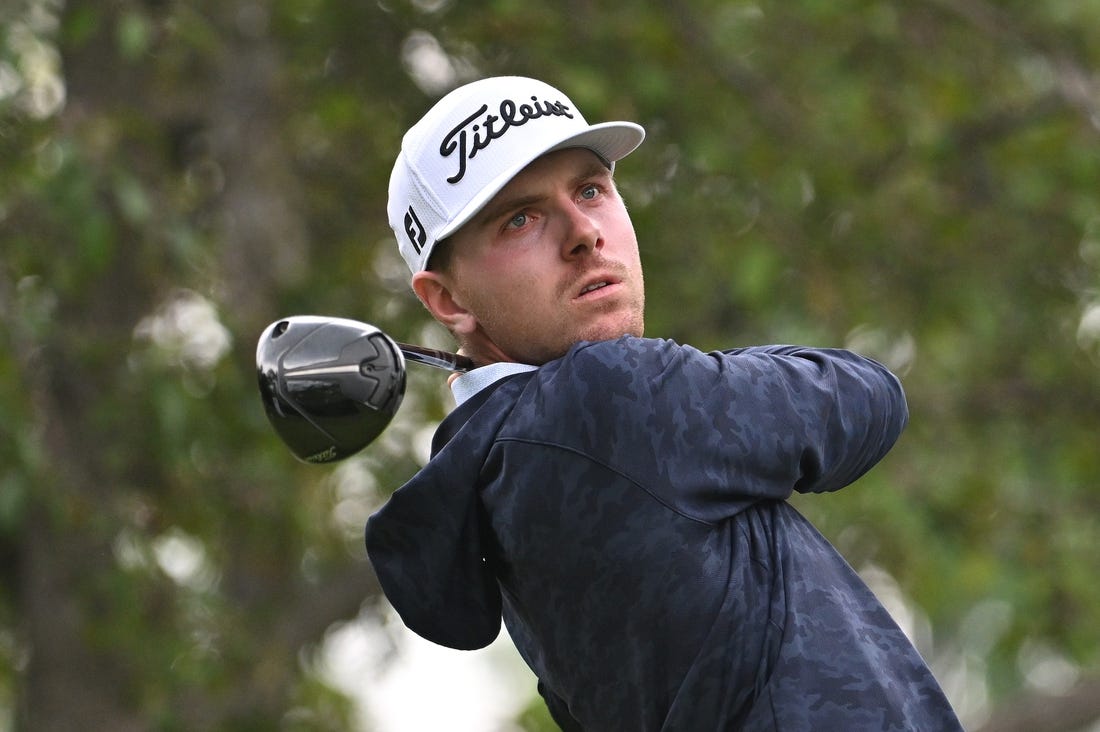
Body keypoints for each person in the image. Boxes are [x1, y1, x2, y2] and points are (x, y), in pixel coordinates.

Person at [365, 75, 964, 731]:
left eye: (591, 189)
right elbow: (866, 396)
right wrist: (700, 377)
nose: (584, 233)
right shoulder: (601, 399)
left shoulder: (501, 478)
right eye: (520, 220)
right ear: (449, 301)